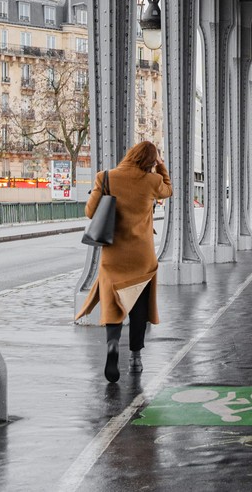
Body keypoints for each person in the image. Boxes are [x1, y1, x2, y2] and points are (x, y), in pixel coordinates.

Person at [75, 140, 173, 382]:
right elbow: (168, 191)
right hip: (142, 256)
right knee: (139, 308)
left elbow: (90, 212)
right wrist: (162, 168)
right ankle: (136, 358)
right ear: (151, 161)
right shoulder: (152, 182)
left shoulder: (105, 177)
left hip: (113, 254)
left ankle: (112, 345)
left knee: (113, 303)